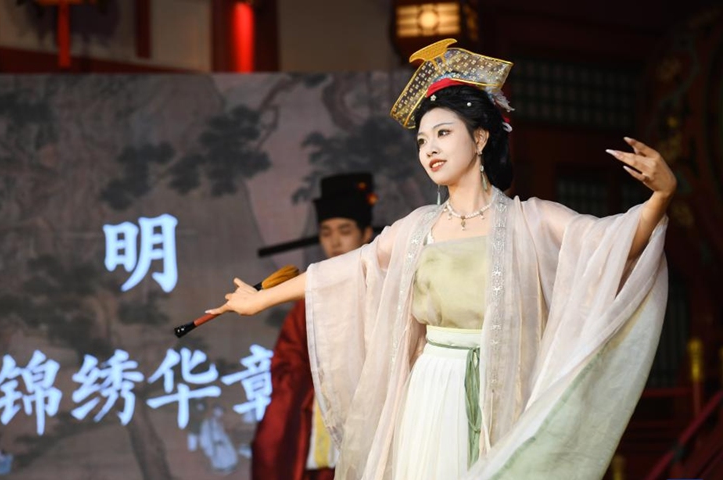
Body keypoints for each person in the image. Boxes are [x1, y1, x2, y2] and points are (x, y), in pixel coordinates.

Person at [210, 39, 675, 480]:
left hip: (504, 380)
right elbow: (349, 270)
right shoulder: (418, 228)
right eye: (421, 140)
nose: (429, 148)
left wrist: (661, 195)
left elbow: (613, 246)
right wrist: (261, 299)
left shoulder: (531, 220)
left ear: (480, 138)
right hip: (433, 387)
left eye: (443, 133)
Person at [252, 173, 376, 480]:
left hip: (374, 405)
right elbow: (286, 362)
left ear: (366, 234)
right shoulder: (307, 301)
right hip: (321, 409)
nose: (335, 241)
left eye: (345, 231)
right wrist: (322, 382)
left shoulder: (381, 290)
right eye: (326, 232)